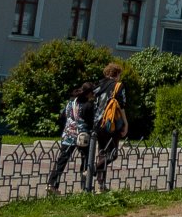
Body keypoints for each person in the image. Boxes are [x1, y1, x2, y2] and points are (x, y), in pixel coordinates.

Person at [46, 83, 94, 193]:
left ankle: (52, 184)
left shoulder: (70, 102)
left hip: (67, 135)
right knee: (86, 160)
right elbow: (91, 121)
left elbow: (62, 117)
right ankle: (85, 187)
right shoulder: (88, 105)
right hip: (82, 137)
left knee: (62, 159)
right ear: (89, 93)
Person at [89, 62, 129, 193]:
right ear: (117, 74)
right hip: (110, 124)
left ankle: (101, 185)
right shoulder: (118, 86)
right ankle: (93, 170)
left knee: (102, 153)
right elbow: (121, 105)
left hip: (97, 124)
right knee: (113, 154)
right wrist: (125, 123)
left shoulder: (98, 85)